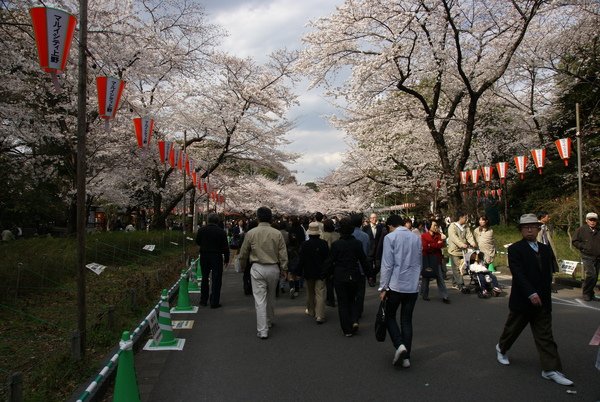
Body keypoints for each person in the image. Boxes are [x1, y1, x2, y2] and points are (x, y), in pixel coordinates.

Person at [495, 214, 573, 386]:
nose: (529, 229)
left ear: (539, 228)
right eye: (525, 227)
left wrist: (545, 293)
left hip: (543, 301)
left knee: (545, 335)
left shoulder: (545, 249)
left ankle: (550, 369)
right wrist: (531, 293)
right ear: (521, 230)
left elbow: (547, 274)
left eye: (533, 226)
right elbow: (518, 274)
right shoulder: (515, 249)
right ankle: (501, 348)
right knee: (512, 330)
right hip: (523, 300)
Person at [238, 207, 288, 339]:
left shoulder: (251, 233)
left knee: (260, 300)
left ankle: (263, 329)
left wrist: (242, 266)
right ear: (270, 217)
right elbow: (283, 253)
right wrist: (284, 268)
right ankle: (269, 320)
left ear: (258, 217)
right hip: (273, 267)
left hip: (257, 267)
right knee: (271, 296)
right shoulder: (277, 233)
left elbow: (243, 253)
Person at [379, 214, 422, 368]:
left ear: (390, 226)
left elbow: (387, 265)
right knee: (406, 320)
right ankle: (406, 358)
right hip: (412, 286)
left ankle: (399, 345)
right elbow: (419, 262)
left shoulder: (390, 238)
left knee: (390, 316)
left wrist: (383, 287)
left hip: (396, 285)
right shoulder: (416, 237)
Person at [326, 217, 370, 337]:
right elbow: (363, 260)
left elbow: (330, 261)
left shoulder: (336, 245)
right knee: (353, 299)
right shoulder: (357, 243)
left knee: (343, 302)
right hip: (354, 273)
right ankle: (354, 320)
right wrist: (369, 274)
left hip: (340, 275)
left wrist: (326, 274)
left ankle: (347, 329)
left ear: (340, 230)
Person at [297, 222, 329, 324]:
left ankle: (311, 311)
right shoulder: (323, 243)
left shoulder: (304, 245)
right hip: (321, 272)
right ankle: (320, 315)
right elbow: (327, 259)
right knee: (320, 293)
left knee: (310, 292)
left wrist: (298, 271)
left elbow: (301, 259)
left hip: (308, 271)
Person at [195, 213, 230, 309]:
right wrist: (227, 259)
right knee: (216, 278)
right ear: (217, 221)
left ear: (207, 220)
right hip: (216, 256)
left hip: (204, 255)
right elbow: (225, 247)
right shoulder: (221, 232)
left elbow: (197, 241)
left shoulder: (202, 230)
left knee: (205, 277)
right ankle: (214, 301)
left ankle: (203, 300)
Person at [572, 212, 600, 302]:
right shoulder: (581, 230)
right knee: (591, 275)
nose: (592, 222)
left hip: (598, 257)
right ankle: (586, 293)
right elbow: (574, 241)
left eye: (594, 220)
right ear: (586, 220)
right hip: (587, 256)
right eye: (590, 220)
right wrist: (583, 247)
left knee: (595, 277)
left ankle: (591, 293)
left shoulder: (598, 230)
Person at [420, 220, 450, 304]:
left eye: (437, 225)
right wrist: (435, 244)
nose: (436, 227)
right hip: (427, 259)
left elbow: (441, 245)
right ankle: (424, 294)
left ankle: (445, 296)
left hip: (437, 259)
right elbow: (425, 248)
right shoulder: (424, 236)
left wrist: (431, 245)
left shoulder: (439, 235)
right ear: (429, 227)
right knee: (426, 277)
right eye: (434, 225)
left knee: (440, 278)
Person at [447, 212, 477, 291]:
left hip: (463, 250)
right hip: (454, 250)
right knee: (457, 268)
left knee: (460, 267)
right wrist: (461, 244)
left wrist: (472, 242)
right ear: (460, 217)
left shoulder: (466, 226)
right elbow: (453, 237)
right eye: (465, 217)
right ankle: (461, 284)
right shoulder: (452, 226)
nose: (467, 219)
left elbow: (469, 235)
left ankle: (454, 283)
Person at [320, 219, 340, 307]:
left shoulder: (323, 235)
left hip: (326, 260)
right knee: (336, 281)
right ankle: (338, 298)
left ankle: (330, 299)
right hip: (336, 259)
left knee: (328, 281)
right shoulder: (337, 235)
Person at [362, 212, 385, 287]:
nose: (374, 219)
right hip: (369, 250)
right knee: (369, 266)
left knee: (378, 266)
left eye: (375, 217)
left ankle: (372, 276)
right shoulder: (365, 228)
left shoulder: (380, 227)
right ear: (369, 219)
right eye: (372, 218)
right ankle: (371, 279)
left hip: (378, 250)